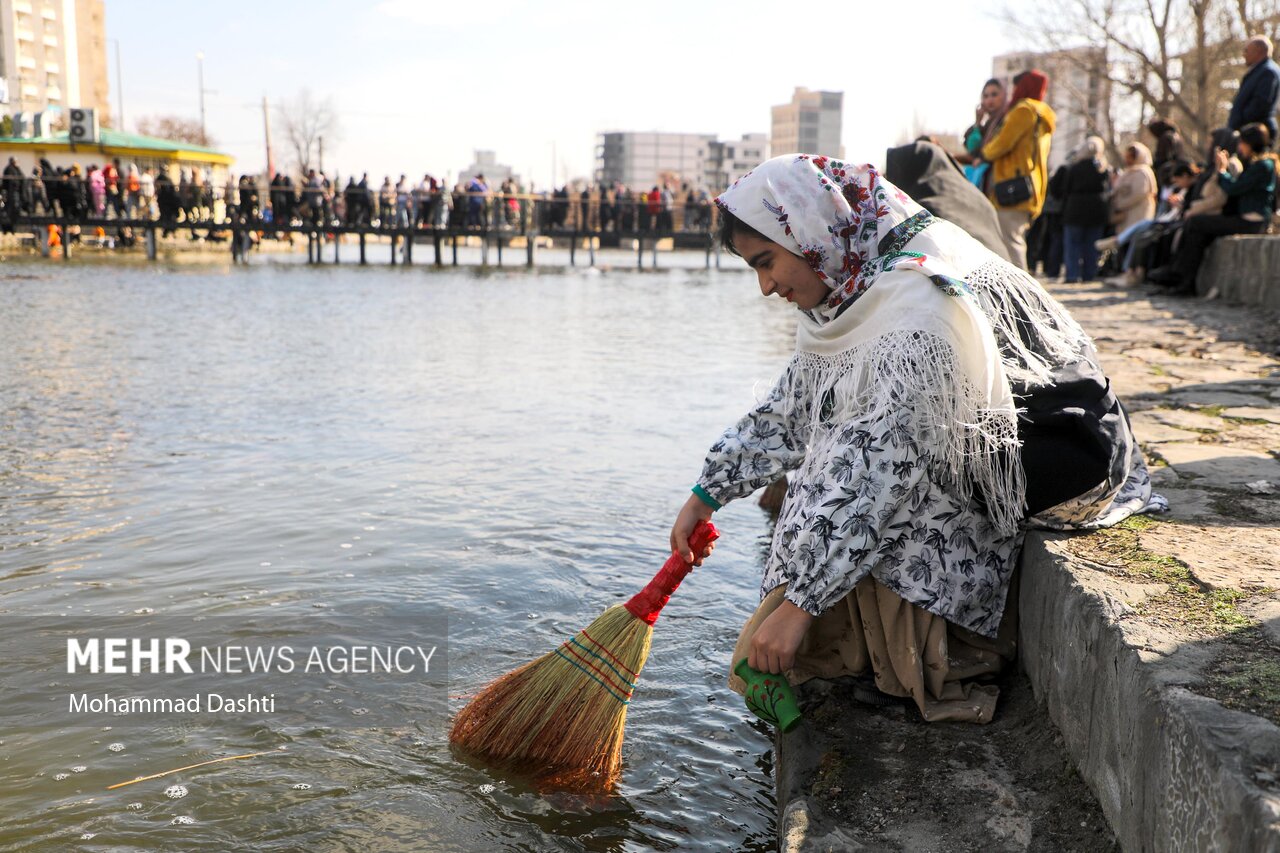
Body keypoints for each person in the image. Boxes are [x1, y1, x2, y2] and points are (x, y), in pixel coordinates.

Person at [670, 153, 1163, 722]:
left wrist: (800, 605)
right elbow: (794, 408)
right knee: (829, 461)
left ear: (807, 234)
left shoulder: (914, 299)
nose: (764, 287)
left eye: (766, 262)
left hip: (1056, 457)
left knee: (847, 476)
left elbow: (884, 468)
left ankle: (934, 654)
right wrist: (706, 493)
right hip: (985, 448)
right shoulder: (856, 278)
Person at [1172, 122, 1277, 295]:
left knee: (1196, 223)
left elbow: (1234, 188)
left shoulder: (1263, 166)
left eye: (1242, 143)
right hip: (1245, 218)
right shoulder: (1255, 164)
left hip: (1252, 221)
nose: (1240, 147)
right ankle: (1184, 280)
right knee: (1197, 230)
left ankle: (1183, 279)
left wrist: (1221, 171)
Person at [981, 70, 1056, 270]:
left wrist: (984, 152)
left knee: (1011, 246)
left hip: (1011, 187)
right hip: (1030, 187)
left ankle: (1021, 297)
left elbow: (1001, 144)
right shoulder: (1043, 116)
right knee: (1013, 241)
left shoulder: (1024, 110)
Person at [1060, 137, 1111, 283]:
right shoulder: (1102, 168)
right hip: (1096, 209)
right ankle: (1089, 274)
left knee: (1073, 244)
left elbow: (1066, 189)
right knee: (1092, 245)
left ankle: (1072, 275)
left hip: (1075, 208)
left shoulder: (1075, 168)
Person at [957, 78, 1009, 190]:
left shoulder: (1007, 120)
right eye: (986, 96)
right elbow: (973, 150)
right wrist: (978, 122)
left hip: (1002, 185)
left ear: (1004, 95)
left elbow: (997, 148)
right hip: (985, 185)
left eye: (994, 95)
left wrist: (982, 158)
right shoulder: (988, 125)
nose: (990, 100)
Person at [1228, 36, 1280, 141]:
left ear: (1258, 51)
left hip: (1256, 136)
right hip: (1248, 132)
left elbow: (1260, 104)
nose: (1244, 55)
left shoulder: (1268, 72)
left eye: (1246, 50)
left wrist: (1241, 122)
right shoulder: (1259, 70)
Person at [1109, 142, 1157, 236]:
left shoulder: (1142, 173)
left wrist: (1120, 204)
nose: (1128, 159)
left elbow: (1138, 194)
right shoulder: (1128, 172)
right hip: (1126, 216)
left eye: (1131, 156)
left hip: (1137, 214)